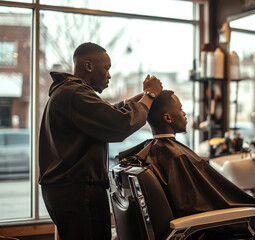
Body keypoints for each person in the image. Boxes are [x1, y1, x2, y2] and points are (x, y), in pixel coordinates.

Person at [117, 90, 255, 240]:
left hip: (195, 223)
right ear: (167, 118)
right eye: (181, 109)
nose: (185, 114)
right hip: (206, 228)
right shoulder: (174, 155)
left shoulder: (157, 151)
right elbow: (195, 207)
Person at [38, 42, 162, 240]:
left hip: (64, 191)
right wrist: (150, 96)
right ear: (88, 66)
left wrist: (139, 100)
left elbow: (106, 113)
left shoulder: (66, 92)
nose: (109, 75)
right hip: (78, 193)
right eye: (107, 68)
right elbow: (119, 124)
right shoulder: (75, 93)